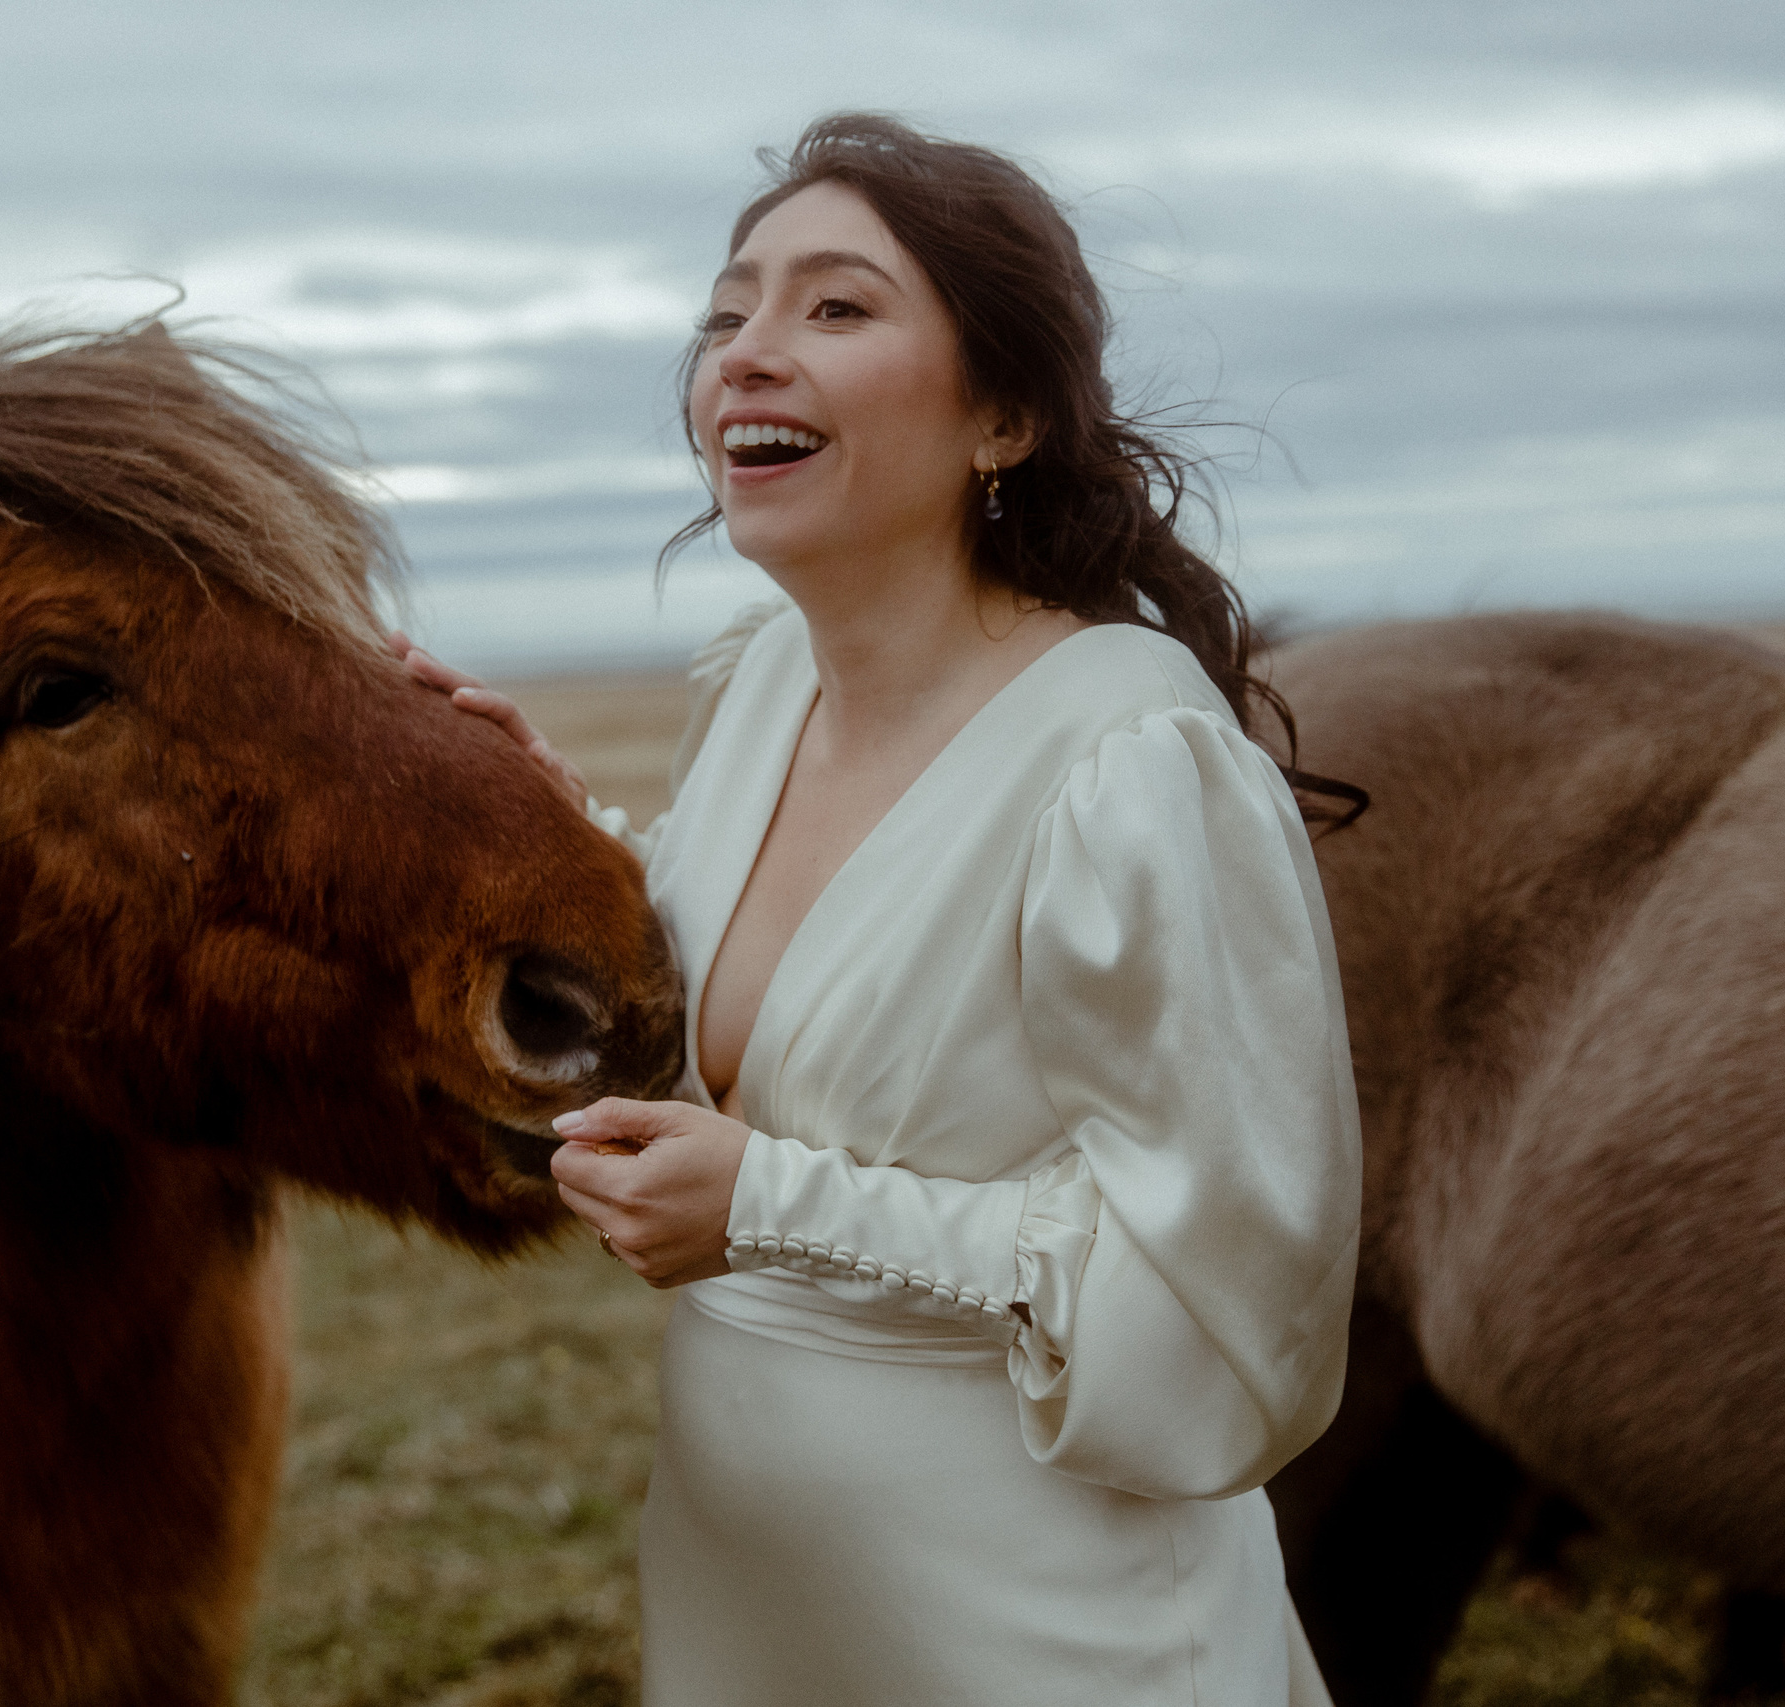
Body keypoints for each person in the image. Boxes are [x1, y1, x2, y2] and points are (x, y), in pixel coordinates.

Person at [399, 114, 1359, 1706]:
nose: (745, 354)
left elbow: (1224, 1304)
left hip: (1050, 1628)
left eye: (836, 307)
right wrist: (547, 820)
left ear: (1004, 416)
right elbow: (793, 983)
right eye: (727, 314)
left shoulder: (1130, 759)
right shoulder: (761, 685)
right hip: (753, 1600)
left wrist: (775, 1207)